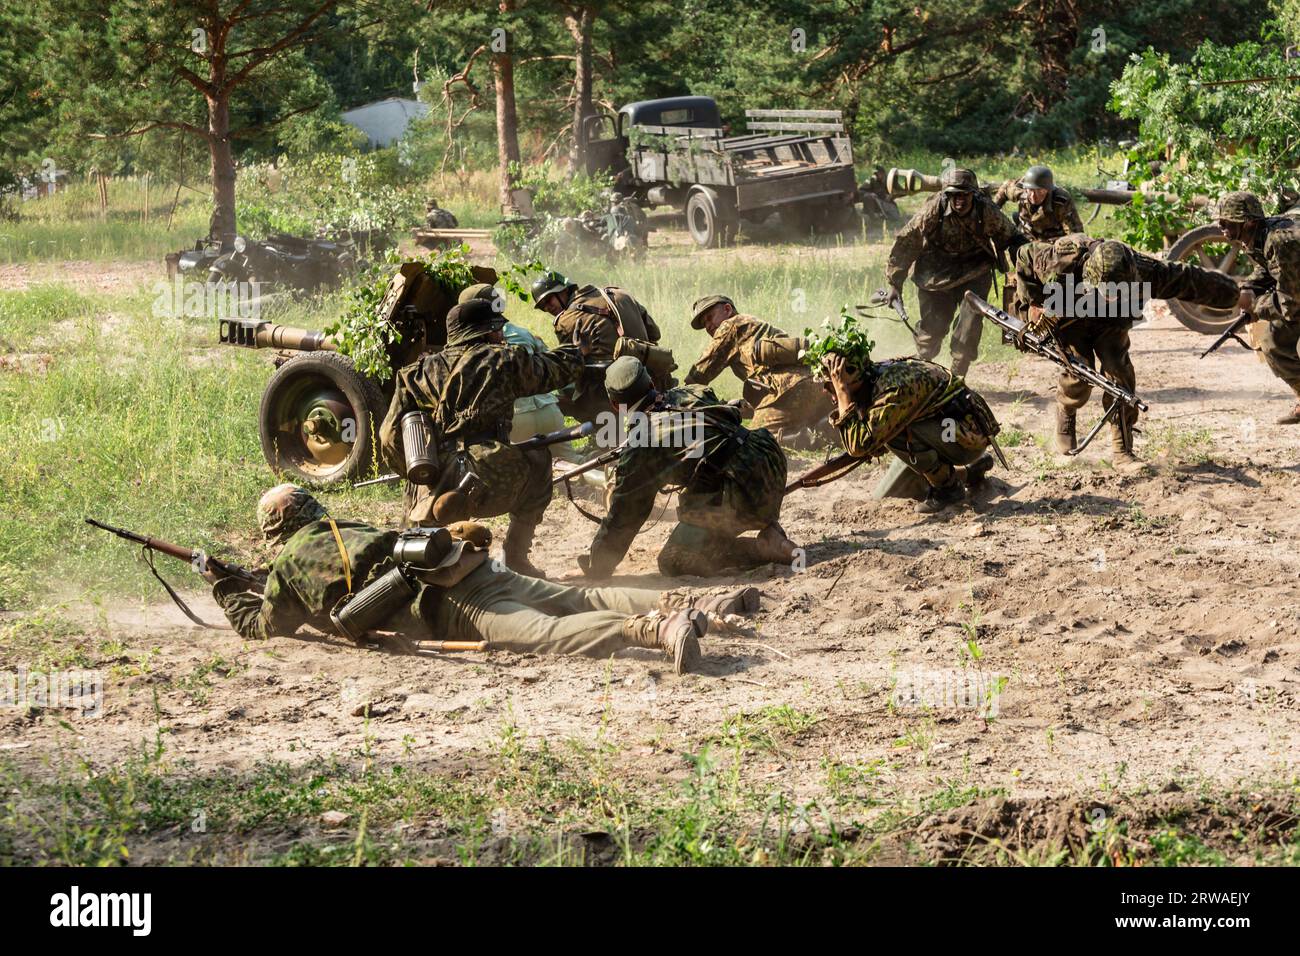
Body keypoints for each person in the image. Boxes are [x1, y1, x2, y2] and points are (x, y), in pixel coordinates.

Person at [209, 486, 761, 675]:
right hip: (471, 565)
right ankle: (705, 604)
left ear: (273, 533)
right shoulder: (343, 525)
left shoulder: (286, 566)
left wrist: (224, 585)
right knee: (577, 596)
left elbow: (262, 627)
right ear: (311, 509)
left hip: (451, 606)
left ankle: (658, 630)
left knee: (544, 634)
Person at [379, 298, 587, 577]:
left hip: (432, 476)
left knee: (414, 532)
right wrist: (576, 350)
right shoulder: (503, 361)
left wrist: (417, 475)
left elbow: (389, 437)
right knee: (538, 458)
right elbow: (554, 371)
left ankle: (412, 566)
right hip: (492, 476)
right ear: (487, 331)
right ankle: (515, 556)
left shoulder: (413, 374)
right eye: (497, 329)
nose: (501, 335)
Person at [1013, 234, 1239, 462]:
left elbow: (1185, 279)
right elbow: (1024, 254)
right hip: (1070, 313)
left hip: (1112, 319)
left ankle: (1122, 449)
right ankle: (1066, 410)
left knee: (1118, 372)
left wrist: (1234, 295)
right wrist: (1033, 302)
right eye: (1107, 292)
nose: (1111, 296)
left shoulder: (1142, 268)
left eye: (1116, 291)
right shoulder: (1059, 260)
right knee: (1078, 373)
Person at [579, 356, 798, 578]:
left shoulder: (642, 443)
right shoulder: (693, 391)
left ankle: (764, 549)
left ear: (616, 406)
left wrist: (597, 566)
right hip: (770, 460)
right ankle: (766, 524)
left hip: (741, 491)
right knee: (706, 490)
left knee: (673, 561)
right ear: (652, 384)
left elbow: (624, 516)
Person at [817, 340, 999, 515]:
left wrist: (842, 394)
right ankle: (970, 472)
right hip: (951, 430)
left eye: (831, 385)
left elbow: (858, 447)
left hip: (965, 437)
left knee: (899, 432)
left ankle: (948, 490)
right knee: (887, 494)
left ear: (853, 381)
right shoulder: (873, 376)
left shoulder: (893, 390)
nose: (830, 394)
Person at [885, 167, 1019, 376]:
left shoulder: (986, 210)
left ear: (973, 195)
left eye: (964, 195)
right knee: (930, 335)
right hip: (935, 274)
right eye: (954, 195)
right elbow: (907, 243)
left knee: (968, 331)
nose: (959, 201)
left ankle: (956, 379)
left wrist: (1025, 269)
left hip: (974, 272)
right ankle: (924, 375)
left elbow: (1012, 237)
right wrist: (895, 283)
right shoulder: (933, 210)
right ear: (946, 195)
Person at [683, 294, 835, 448]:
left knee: (752, 443)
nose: (708, 326)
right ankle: (826, 424)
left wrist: (676, 396)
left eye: (710, 317)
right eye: (704, 324)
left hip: (786, 392)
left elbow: (699, 374)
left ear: (727, 309)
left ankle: (825, 435)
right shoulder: (754, 324)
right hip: (817, 386)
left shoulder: (730, 326)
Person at [531, 272, 667, 426]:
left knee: (562, 392)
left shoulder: (564, 321)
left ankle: (601, 434)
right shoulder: (619, 294)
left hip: (612, 395)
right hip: (651, 376)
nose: (548, 308)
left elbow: (571, 367)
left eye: (548, 300)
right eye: (543, 307)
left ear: (563, 290)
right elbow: (654, 333)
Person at [1213, 191, 1300, 423]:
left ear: (1248, 222)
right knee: (1273, 342)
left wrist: (1256, 307)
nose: (1222, 228)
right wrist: (1249, 288)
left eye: (1227, 223)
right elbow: (1268, 269)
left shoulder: (1281, 241)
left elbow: (1290, 303)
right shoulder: (1258, 237)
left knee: (1276, 339)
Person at [991, 165, 1084, 242]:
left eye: (1039, 191)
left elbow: (1076, 233)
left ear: (1047, 190)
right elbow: (1005, 188)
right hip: (1026, 236)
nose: (1033, 195)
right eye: (1030, 190)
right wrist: (993, 209)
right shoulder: (1019, 190)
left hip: (1052, 241)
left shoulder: (1061, 200)